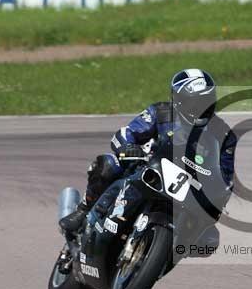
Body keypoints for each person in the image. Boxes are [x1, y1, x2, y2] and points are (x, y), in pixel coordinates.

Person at [59, 68, 236, 234]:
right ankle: (83, 209)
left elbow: (226, 177)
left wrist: (219, 196)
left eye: (207, 101)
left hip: (188, 189)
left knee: (208, 237)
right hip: (147, 168)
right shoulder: (161, 112)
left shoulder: (224, 134)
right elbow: (127, 133)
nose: (201, 109)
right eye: (195, 103)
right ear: (179, 100)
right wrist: (128, 147)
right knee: (108, 164)